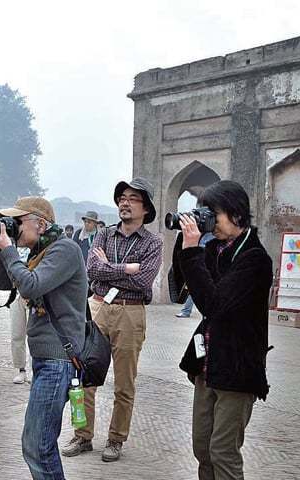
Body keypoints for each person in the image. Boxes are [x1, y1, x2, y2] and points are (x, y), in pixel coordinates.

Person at [176, 180, 272, 480]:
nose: (209, 221)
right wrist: (186, 243)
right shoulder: (215, 249)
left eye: (213, 214)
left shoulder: (254, 259)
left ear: (237, 215)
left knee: (223, 452)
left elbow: (215, 304)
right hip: (207, 365)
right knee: (202, 447)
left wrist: (193, 254)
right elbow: (179, 289)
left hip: (237, 368)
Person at [62, 177, 163, 462]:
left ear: (146, 208)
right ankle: (82, 435)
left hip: (131, 313)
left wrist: (112, 267)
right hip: (98, 308)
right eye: (122, 197)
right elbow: (92, 270)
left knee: (124, 383)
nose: (124, 202)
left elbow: (144, 279)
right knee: (80, 377)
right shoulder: (104, 234)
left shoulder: (153, 242)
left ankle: (116, 439)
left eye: (132, 198)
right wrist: (127, 268)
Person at [0, 196, 88, 480]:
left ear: (41, 224)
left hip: (59, 359)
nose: (14, 227)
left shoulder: (64, 249)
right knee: (36, 444)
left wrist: (7, 247)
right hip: (46, 359)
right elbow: (8, 283)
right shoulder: (38, 253)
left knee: (37, 445)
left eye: (18, 222)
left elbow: (30, 286)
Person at [176, 232, 214, 318]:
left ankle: (187, 311)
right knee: (195, 288)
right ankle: (186, 311)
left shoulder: (212, 236)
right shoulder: (207, 235)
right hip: (205, 266)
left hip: (209, 267)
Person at [9, 247, 31, 384]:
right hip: (16, 294)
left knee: (35, 335)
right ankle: (21, 370)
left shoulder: (39, 244)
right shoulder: (11, 245)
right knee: (17, 334)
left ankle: (35, 370)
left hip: (34, 294)